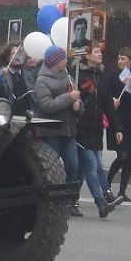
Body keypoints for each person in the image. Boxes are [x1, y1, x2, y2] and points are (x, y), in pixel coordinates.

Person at [32, 45, 83, 214]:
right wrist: (69, 98)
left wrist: (78, 105)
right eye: (63, 58)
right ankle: (52, 200)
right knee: (52, 169)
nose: (66, 61)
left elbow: (76, 100)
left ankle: (70, 201)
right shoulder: (42, 81)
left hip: (68, 131)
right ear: (54, 61)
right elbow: (46, 105)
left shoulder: (68, 77)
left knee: (73, 166)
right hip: (52, 132)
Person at [74, 47, 124, 219]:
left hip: (96, 128)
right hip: (81, 127)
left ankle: (73, 200)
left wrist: (117, 127)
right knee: (91, 164)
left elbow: (107, 105)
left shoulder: (102, 77)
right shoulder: (78, 75)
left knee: (88, 166)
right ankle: (102, 202)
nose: (100, 54)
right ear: (86, 55)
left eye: (101, 52)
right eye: (96, 52)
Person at [103, 47, 131, 202]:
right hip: (118, 120)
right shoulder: (113, 77)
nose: (120, 61)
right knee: (122, 155)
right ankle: (106, 185)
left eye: (123, 58)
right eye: (119, 58)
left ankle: (122, 191)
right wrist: (113, 101)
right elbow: (106, 96)